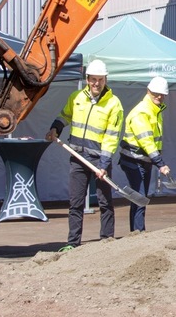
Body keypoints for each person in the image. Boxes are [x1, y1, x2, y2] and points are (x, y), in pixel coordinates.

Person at [45, 59, 124, 250]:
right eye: (93, 79)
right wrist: (55, 128)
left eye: (101, 79)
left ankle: (107, 241)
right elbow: (65, 115)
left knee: (105, 202)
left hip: (99, 160)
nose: (97, 83)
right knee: (76, 202)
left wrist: (104, 164)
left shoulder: (114, 104)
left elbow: (111, 138)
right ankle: (73, 243)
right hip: (77, 158)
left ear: (106, 80)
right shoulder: (77, 97)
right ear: (87, 79)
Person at [120, 75, 172, 233]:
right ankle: (138, 234)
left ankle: (136, 232)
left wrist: (156, 161)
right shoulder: (142, 112)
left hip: (144, 161)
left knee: (139, 198)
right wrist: (160, 164)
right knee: (140, 198)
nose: (159, 96)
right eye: (155, 93)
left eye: (162, 94)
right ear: (148, 91)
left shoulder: (155, 111)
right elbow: (146, 141)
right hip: (133, 161)